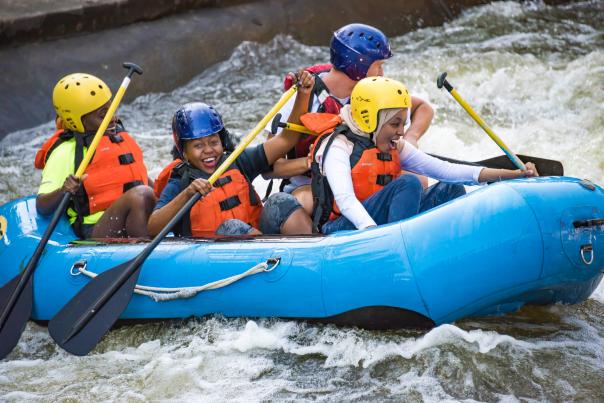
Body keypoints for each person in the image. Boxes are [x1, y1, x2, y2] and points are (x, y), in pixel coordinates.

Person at [309, 76, 538, 234]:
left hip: (383, 228)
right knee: (408, 183)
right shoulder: (338, 146)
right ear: (371, 120)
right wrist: (375, 236)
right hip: (343, 230)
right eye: (395, 124)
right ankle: (401, 244)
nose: (401, 132)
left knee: (450, 188)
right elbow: (346, 201)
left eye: (404, 123)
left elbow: (448, 170)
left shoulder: (393, 144)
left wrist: (512, 175)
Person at [263, 23, 434, 214]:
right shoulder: (300, 97)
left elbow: (422, 108)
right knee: (305, 202)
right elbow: (269, 168)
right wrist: (312, 162)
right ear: (357, 65)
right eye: (378, 66)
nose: (382, 74)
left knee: (418, 178)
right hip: (314, 185)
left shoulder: (373, 92)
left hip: (366, 173)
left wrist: (411, 138)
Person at [148, 71, 317, 237]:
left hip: (260, 240)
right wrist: (187, 194)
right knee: (232, 227)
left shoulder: (238, 161)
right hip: (215, 255)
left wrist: (303, 94)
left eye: (214, 142)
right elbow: (153, 228)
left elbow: (287, 140)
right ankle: (271, 257)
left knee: (281, 201)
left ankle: (307, 254)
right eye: (198, 145)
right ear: (184, 152)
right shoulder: (181, 182)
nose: (208, 150)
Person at [35, 73, 156, 239]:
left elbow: (143, 182)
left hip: (132, 218)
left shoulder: (117, 139)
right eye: (103, 115)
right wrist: (64, 190)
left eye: (112, 111)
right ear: (79, 121)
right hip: (96, 229)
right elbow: (42, 205)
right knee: (141, 195)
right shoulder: (65, 152)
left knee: (151, 193)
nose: (113, 118)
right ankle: (148, 252)